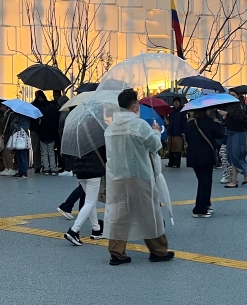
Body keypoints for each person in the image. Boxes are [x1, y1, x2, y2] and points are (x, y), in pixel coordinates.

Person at [104, 89, 173, 265]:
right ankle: (158, 250)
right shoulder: (139, 125)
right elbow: (154, 145)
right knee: (149, 211)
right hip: (139, 174)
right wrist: (156, 131)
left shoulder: (111, 127)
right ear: (134, 106)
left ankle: (117, 252)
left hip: (117, 176)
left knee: (120, 214)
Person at [63, 143, 105, 245]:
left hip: (80, 171)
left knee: (90, 201)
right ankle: (74, 230)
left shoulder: (78, 136)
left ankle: (96, 229)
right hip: (94, 170)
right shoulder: (96, 136)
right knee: (90, 202)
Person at [185, 108, 223, 218]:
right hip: (206, 155)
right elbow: (220, 135)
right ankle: (200, 209)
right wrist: (217, 123)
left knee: (202, 181)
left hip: (193, 156)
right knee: (206, 182)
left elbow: (188, 139)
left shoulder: (191, 123)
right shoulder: (210, 122)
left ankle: (206, 204)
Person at [223, 101, 247, 188]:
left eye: (233, 94)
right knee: (229, 155)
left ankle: (235, 179)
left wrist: (227, 114)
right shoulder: (227, 106)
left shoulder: (240, 107)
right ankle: (243, 174)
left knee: (235, 155)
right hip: (230, 131)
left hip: (239, 132)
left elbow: (240, 118)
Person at [34, 91, 60, 175]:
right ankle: (53, 167)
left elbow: (39, 124)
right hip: (51, 135)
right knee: (51, 152)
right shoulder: (53, 113)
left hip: (42, 135)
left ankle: (46, 168)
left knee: (44, 153)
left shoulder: (40, 115)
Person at [8, 111, 31, 179]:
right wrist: (15, 123)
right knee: (18, 155)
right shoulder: (18, 117)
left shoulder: (26, 118)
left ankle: (24, 172)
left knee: (23, 155)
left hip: (23, 138)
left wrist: (17, 126)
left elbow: (25, 127)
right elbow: (11, 125)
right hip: (17, 137)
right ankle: (20, 171)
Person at [0, 103, 16, 176]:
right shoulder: (2, 114)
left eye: (1, 107)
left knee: (7, 152)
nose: (0, 108)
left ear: (5, 106)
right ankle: (7, 167)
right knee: (3, 152)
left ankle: (11, 168)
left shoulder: (11, 114)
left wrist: (8, 134)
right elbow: (2, 125)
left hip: (7, 135)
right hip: (2, 134)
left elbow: (12, 125)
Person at [165, 97, 186, 168]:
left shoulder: (182, 111)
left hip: (178, 132)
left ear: (180, 103)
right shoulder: (171, 111)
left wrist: (183, 131)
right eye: (175, 101)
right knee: (170, 148)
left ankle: (176, 164)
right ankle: (170, 163)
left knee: (177, 148)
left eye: (177, 101)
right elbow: (168, 121)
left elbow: (184, 122)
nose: (176, 103)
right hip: (171, 132)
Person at [30, 91, 47, 173]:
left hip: (39, 129)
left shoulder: (34, 105)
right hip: (37, 129)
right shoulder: (35, 105)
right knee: (37, 148)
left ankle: (41, 165)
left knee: (39, 148)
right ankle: (39, 165)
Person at [53, 90, 69, 173]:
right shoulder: (69, 109)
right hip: (68, 134)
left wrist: (59, 133)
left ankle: (65, 167)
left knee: (63, 151)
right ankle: (66, 167)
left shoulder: (64, 111)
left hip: (63, 134)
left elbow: (61, 123)